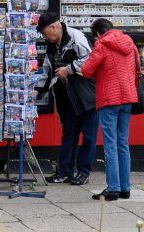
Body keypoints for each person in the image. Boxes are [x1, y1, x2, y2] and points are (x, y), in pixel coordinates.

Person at [35, 12, 98, 185]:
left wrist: (68, 69)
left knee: (88, 135)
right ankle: (64, 171)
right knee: (69, 133)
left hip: (86, 94)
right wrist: (37, 90)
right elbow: (48, 70)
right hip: (66, 96)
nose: (44, 37)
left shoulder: (76, 37)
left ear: (54, 27)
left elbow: (91, 58)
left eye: (44, 33)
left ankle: (83, 172)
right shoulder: (52, 44)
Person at [81, 18, 138, 202]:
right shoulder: (130, 43)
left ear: (98, 33)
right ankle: (125, 188)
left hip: (109, 99)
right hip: (128, 97)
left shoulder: (102, 45)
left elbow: (87, 70)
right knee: (123, 143)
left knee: (110, 144)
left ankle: (113, 188)